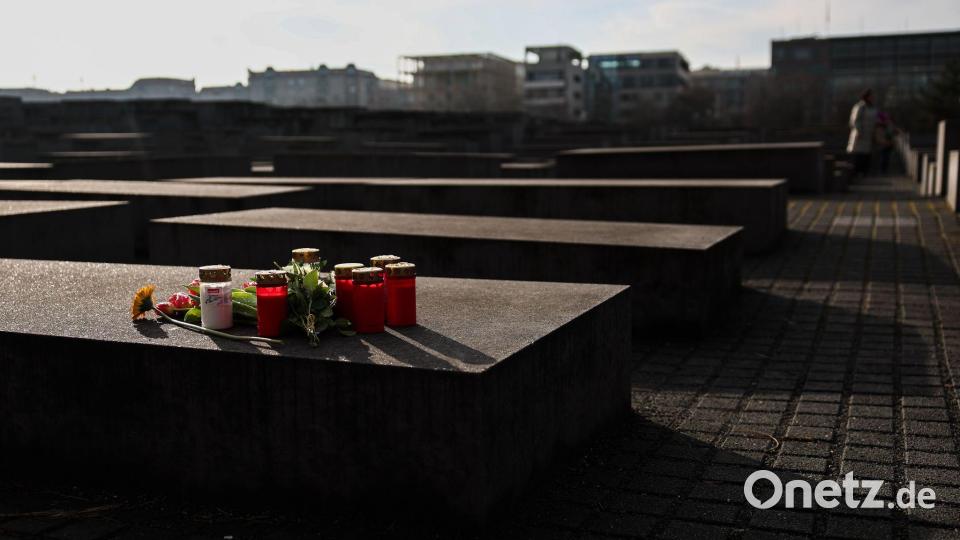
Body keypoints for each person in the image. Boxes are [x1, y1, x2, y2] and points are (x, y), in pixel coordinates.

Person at [846, 89, 877, 179]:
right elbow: (854, 121)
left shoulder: (872, 107)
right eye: (871, 96)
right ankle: (857, 173)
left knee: (866, 155)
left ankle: (863, 173)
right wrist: (859, 131)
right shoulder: (859, 107)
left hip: (868, 135)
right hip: (859, 135)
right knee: (859, 155)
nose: (873, 98)